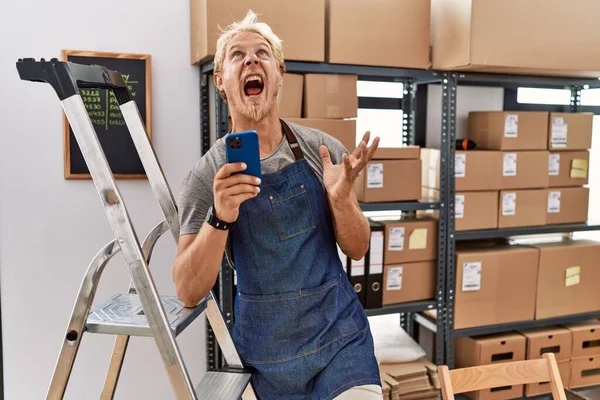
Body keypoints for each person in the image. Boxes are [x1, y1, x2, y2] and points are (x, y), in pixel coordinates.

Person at [172, 10, 383, 400]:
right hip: (263, 359)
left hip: (339, 343)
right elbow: (187, 290)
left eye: (262, 53)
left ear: (279, 72)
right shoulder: (207, 176)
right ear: (221, 81)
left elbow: (358, 247)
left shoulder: (322, 152)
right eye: (237, 55)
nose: (251, 60)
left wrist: (340, 202)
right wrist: (219, 218)